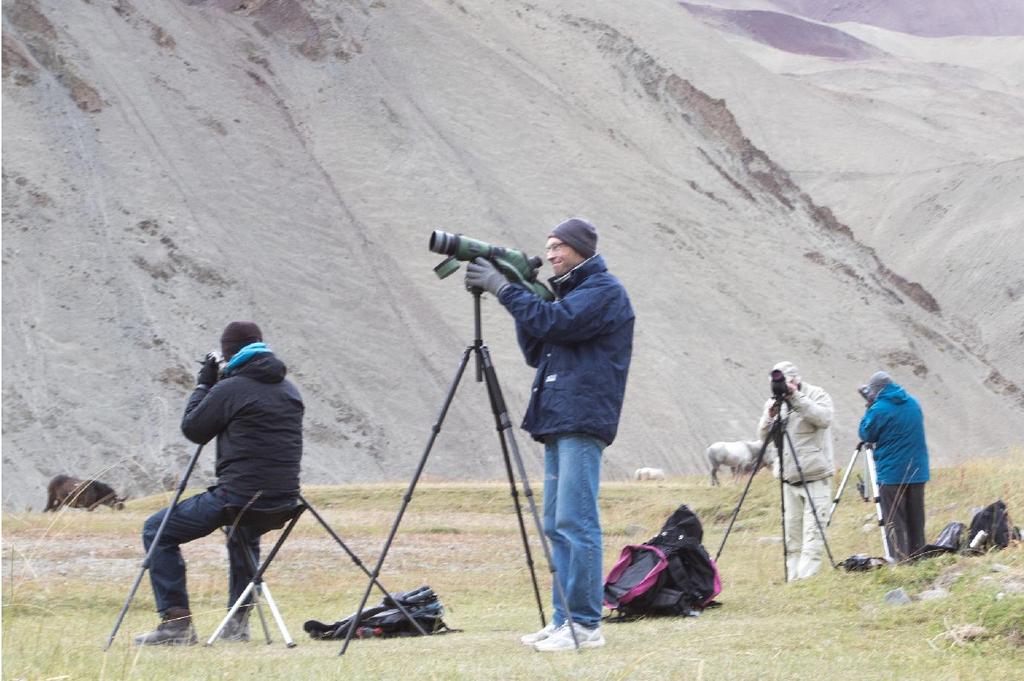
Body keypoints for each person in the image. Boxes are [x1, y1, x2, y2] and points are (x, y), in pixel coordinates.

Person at [465, 217, 634, 652]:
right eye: (549, 246)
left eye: (559, 246)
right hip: (560, 416)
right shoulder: (571, 296)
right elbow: (538, 347)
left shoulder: (603, 291)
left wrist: (505, 289)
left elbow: (557, 325)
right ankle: (563, 621)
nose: (553, 253)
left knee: (577, 521)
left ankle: (584, 626)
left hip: (581, 417)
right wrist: (526, 291)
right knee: (558, 524)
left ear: (581, 250)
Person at [134, 322, 304, 646]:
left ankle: (176, 625)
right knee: (244, 531)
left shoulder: (230, 389)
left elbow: (194, 429)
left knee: (157, 529)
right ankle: (237, 624)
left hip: (238, 497)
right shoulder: (289, 389)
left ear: (228, 353)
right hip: (283, 502)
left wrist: (203, 385)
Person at [756, 361, 835, 581]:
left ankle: (805, 580)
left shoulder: (817, 395)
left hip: (815, 476)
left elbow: (824, 418)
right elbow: (764, 437)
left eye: (786, 382)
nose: (782, 387)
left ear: (796, 380)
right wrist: (770, 416)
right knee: (793, 535)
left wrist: (795, 398)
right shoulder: (775, 402)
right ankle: (793, 579)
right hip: (788, 479)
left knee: (813, 533)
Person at [858, 371, 929, 561]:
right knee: (916, 521)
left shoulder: (879, 409)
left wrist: (869, 408)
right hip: (917, 471)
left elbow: (866, 434)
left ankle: (900, 562)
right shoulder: (913, 402)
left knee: (895, 522)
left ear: (876, 391)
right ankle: (919, 560)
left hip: (892, 474)